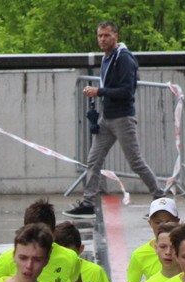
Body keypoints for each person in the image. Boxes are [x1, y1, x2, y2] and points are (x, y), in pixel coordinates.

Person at [64, 21, 163, 218]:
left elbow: (127, 91)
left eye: (106, 35)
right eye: (100, 36)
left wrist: (98, 91)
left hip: (122, 118)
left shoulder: (123, 58)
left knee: (135, 162)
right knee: (93, 160)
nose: (102, 39)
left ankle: (161, 198)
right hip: (106, 118)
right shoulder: (107, 57)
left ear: (115, 36)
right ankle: (88, 202)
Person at [124, 196, 178, 282]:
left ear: (177, 221)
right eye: (157, 222)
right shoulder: (140, 254)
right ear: (150, 223)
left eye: (168, 221)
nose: (163, 226)